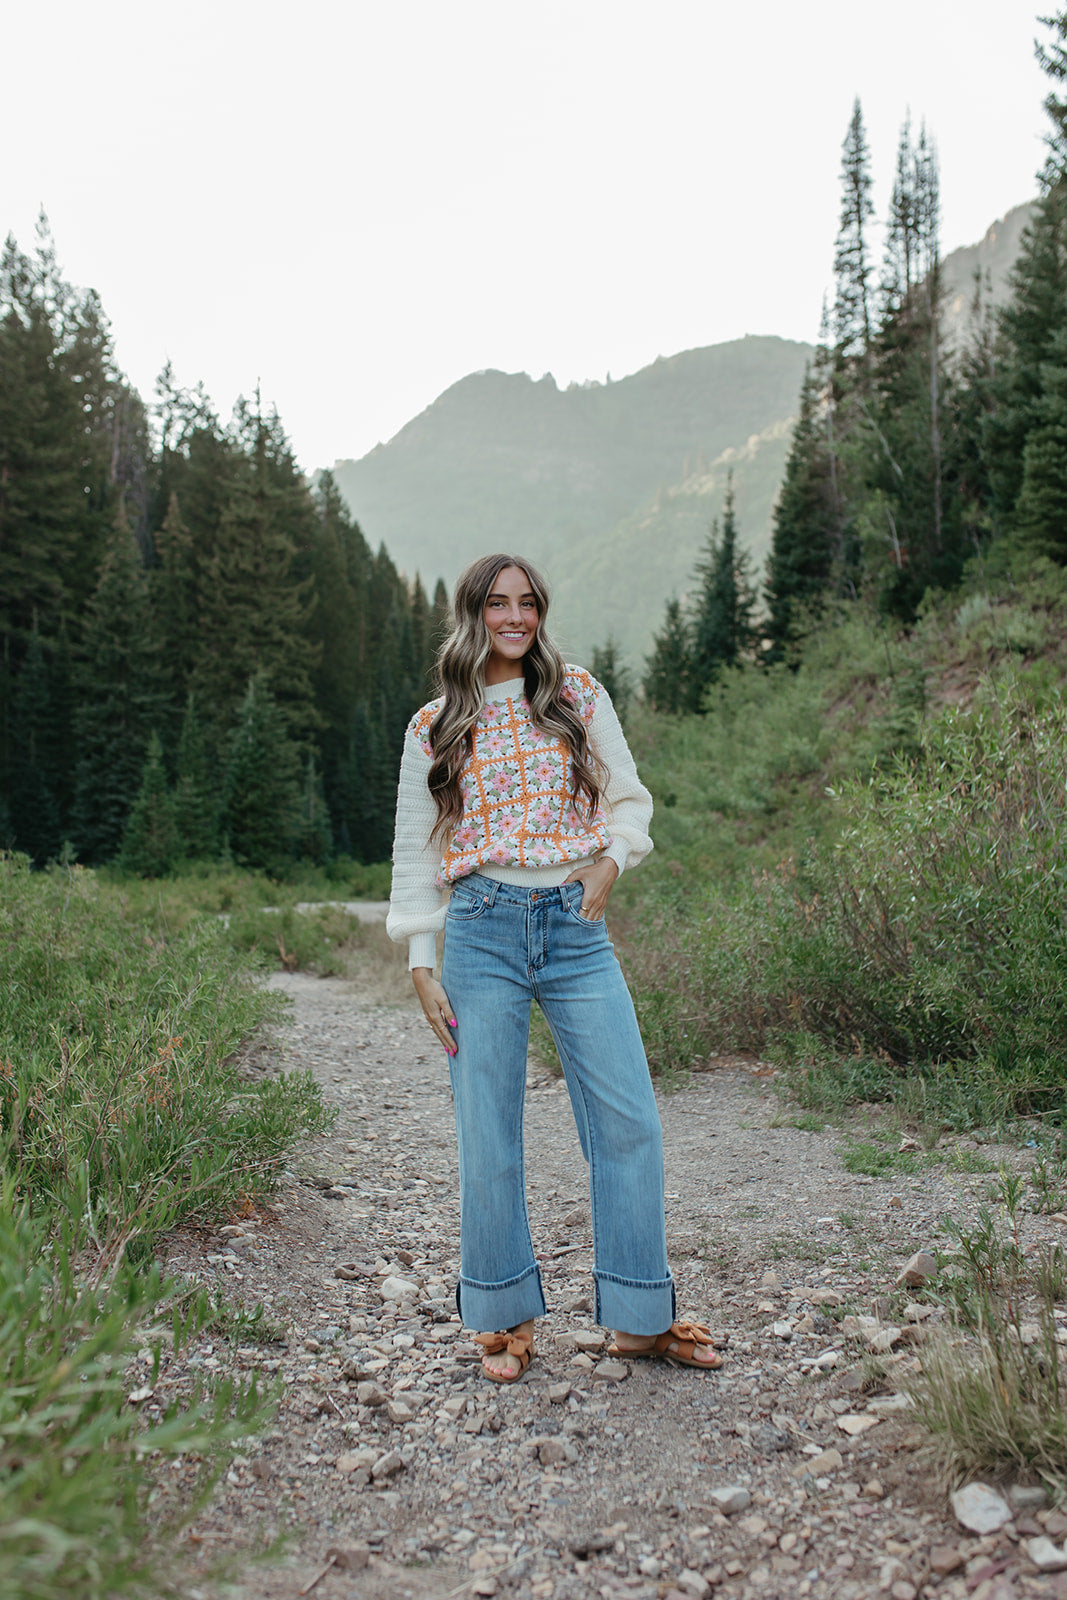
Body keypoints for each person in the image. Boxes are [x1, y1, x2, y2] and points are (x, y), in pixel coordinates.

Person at [387, 553, 720, 1383]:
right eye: (497, 603)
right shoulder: (434, 723)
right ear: (472, 613)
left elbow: (630, 799)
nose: (514, 617)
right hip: (479, 929)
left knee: (627, 1119)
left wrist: (611, 863)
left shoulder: (577, 694)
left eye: (527, 603)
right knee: (487, 1130)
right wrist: (420, 960)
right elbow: (414, 846)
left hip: (575, 929)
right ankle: (501, 1314)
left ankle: (640, 1316)